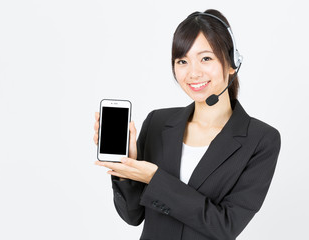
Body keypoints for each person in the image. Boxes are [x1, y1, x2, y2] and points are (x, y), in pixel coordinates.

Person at [93, 9, 281, 240]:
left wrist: (155, 179)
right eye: (182, 61)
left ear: (233, 63)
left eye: (206, 58)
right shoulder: (157, 123)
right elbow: (133, 216)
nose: (193, 73)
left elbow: (225, 226)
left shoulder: (260, 139)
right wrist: (126, 169)